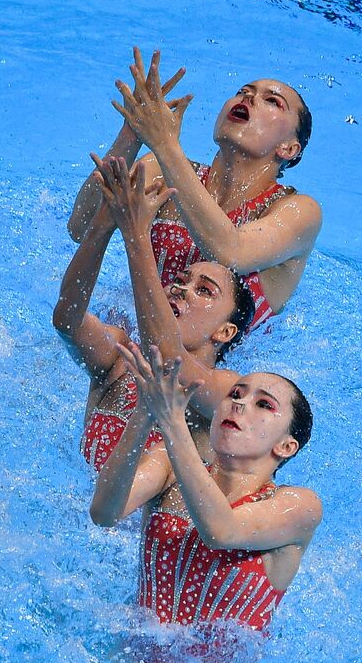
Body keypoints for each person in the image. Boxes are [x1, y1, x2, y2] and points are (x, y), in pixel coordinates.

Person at [68, 50, 321, 328]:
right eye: (243, 91)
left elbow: (231, 251)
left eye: (272, 101)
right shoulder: (159, 171)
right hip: (139, 338)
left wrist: (165, 145)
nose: (248, 98)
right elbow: (81, 227)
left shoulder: (299, 212)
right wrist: (134, 130)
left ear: (289, 148)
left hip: (216, 367)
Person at [91, 344, 321, 633]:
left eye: (264, 404)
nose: (239, 404)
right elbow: (103, 513)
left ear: (286, 446)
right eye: (235, 394)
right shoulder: (168, 465)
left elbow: (221, 531)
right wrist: (143, 415)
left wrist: (172, 423)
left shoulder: (300, 506)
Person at [56, 155, 255, 471]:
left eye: (204, 290)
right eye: (179, 280)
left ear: (225, 331)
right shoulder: (120, 360)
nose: (181, 289)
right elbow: (68, 319)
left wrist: (136, 235)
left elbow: (168, 358)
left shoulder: (226, 392)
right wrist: (105, 221)